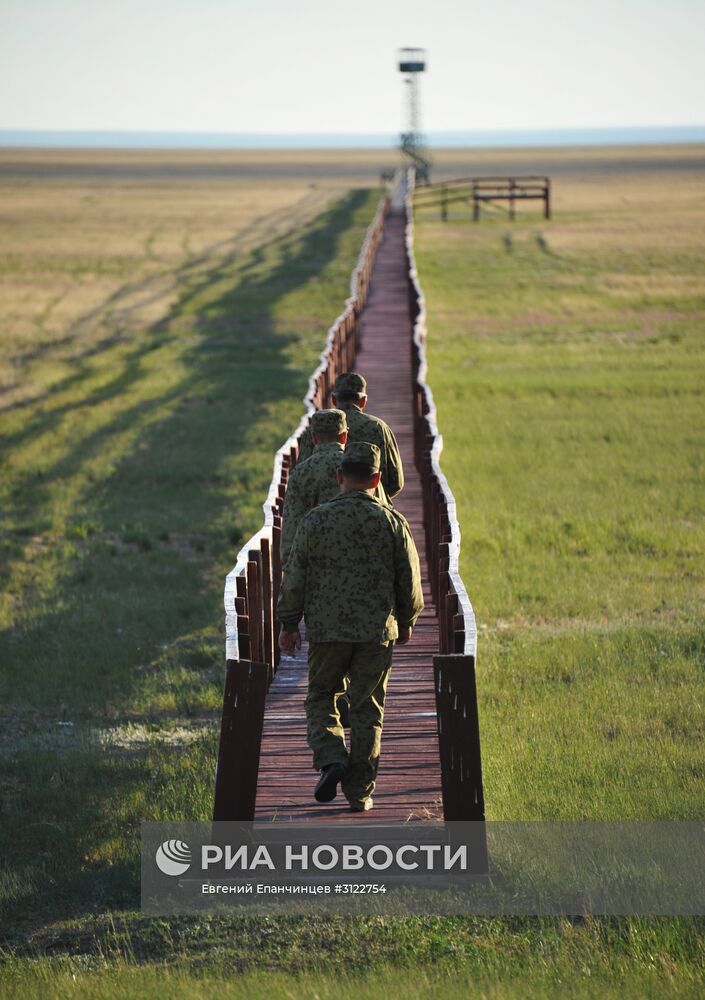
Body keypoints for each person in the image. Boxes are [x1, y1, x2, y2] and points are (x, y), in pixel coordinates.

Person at [277, 441, 424, 812]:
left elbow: (294, 577)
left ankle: (331, 756)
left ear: (340, 476)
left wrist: (288, 623)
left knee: (321, 696)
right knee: (367, 709)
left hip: (327, 631)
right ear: (376, 479)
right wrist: (406, 621)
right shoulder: (392, 522)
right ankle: (359, 792)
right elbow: (409, 581)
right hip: (376, 632)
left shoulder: (315, 521)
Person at [298, 372, 404, 504]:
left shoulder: (315, 430)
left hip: (320, 516)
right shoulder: (379, 427)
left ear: (334, 399)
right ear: (363, 400)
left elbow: (301, 476)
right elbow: (395, 482)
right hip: (372, 511)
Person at [280, 408, 347, 568]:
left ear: (314, 438)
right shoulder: (358, 468)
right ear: (344, 436)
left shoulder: (300, 473)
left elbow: (291, 528)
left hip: (315, 569)